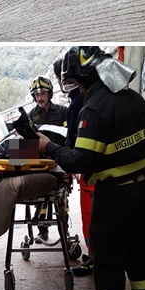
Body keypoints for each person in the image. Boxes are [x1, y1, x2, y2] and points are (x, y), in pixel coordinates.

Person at [37, 46, 145, 290]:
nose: (74, 86)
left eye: (73, 79)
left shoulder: (94, 108)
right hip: (142, 189)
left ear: (81, 76)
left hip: (115, 196)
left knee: (107, 262)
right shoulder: (134, 98)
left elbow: (82, 161)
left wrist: (48, 147)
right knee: (137, 256)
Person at [52, 58, 95, 277]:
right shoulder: (97, 97)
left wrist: (65, 164)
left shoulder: (75, 105)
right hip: (102, 171)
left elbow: (71, 142)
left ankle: (94, 260)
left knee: (91, 219)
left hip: (90, 172)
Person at [27, 74, 68, 243]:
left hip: (60, 162)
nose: (39, 97)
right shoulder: (30, 116)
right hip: (40, 165)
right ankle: (42, 231)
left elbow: (71, 138)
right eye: (36, 94)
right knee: (40, 198)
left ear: (50, 94)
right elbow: (25, 144)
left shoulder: (63, 112)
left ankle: (64, 231)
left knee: (61, 200)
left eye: (42, 93)